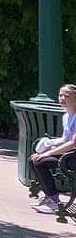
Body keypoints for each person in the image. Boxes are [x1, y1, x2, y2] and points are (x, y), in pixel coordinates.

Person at [29, 84, 76, 215]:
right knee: (33, 159)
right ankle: (50, 197)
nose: (62, 98)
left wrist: (48, 153)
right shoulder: (66, 116)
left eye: (66, 96)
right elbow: (64, 139)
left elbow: (72, 143)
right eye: (60, 95)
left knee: (41, 162)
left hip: (73, 156)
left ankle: (54, 202)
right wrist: (46, 149)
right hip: (69, 154)